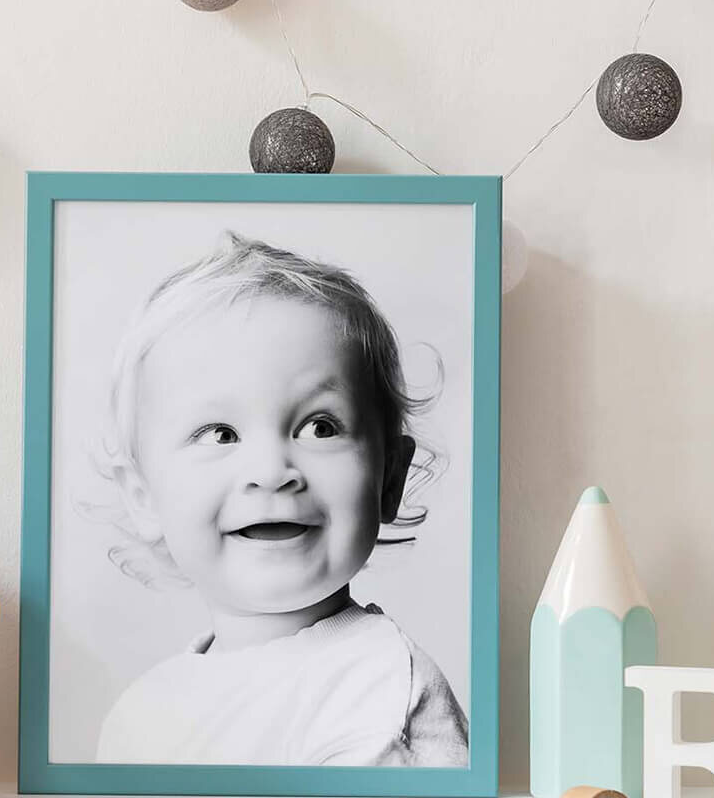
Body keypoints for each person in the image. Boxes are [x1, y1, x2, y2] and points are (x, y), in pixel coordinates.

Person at [93, 233, 467, 767]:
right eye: (220, 433)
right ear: (143, 496)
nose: (271, 473)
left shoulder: (378, 689)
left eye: (320, 426)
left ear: (390, 479)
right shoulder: (141, 712)